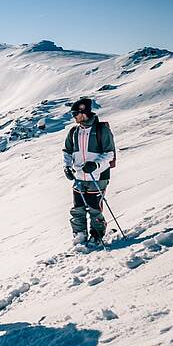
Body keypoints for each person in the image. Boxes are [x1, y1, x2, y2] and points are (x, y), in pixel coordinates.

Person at [62, 98, 116, 246]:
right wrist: (67, 167)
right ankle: (80, 234)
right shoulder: (74, 132)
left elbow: (109, 153)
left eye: (75, 113)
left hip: (98, 176)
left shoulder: (101, 130)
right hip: (79, 176)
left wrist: (95, 165)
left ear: (83, 112)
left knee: (94, 209)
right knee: (77, 208)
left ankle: (96, 235)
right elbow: (67, 152)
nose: (73, 116)